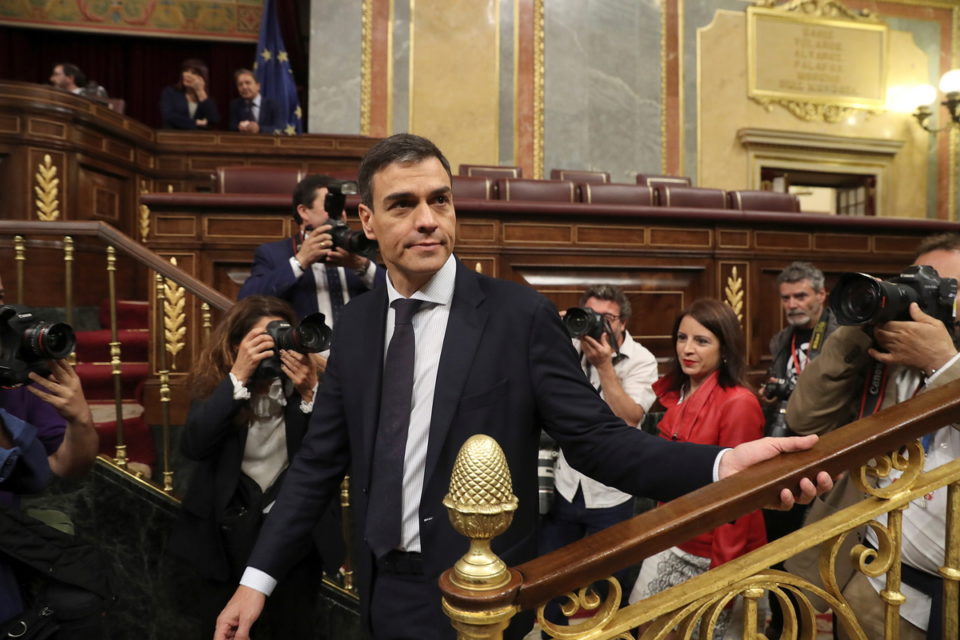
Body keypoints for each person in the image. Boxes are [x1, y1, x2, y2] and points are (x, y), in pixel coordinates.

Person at [214, 133, 831, 640]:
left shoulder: (518, 316)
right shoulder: (355, 326)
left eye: (440, 200)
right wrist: (256, 580)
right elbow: (318, 465)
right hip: (382, 590)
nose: (428, 220)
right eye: (403, 205)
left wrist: (722, 465)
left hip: (485, 594)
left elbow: (597, 442)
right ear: (368, 222)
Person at [785, 233, 960, 640]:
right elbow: (803, 417)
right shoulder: (887, 357)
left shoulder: (935, 359)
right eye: (920, 282)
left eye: (946, 288)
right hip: (868, 577)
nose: (927, 298)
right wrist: (860, 328)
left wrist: (944, 364)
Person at [168, 295, 340, 639]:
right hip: (221, 542)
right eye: (262, 339)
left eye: (280, 336)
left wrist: (310, 392)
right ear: (236, 345)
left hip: (293, 545)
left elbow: (328, 456)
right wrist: (238, 377)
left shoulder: (305, 386)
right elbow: (194, 446)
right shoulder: (217, 383)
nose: (273, 347)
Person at [627, 298, 766, 638]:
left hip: (714, 550)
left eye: (701, 341)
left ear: (725, 348)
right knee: (645, 627)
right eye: (682, 338)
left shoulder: (738, 403)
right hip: (672, 534)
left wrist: (724, 575)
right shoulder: (676, 391)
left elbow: (739, 497)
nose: (687, 349)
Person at [540, 284, 657, 621]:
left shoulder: (642, 360)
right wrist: (551, 325)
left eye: (608, 318)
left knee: (610, 584)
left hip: (611, 491)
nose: (599, 324)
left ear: (623, 323)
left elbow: (629, 418)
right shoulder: (568, 346)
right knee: (551, 580)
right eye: (591, 315)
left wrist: (604, 366)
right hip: (566, 483)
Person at [759, 261, 838, 637]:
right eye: (786, 297)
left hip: (827, 450)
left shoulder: (843, 336)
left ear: (821, 295)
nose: (792, 304)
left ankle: (814, 623)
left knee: (821, 550)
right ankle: (782, 623)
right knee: (780, 541)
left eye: (801, 296)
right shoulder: (781, 340)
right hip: (786, 453)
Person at [237, 174, 385, 329]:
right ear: (303, 211)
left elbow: (396, 293)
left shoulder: (357, 248)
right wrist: (300, 261)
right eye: (329, 206)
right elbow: (246, 302)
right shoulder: (274, 254)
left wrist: (361, 266)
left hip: (356, 342)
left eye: (341, 207)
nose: (340, 214)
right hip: (304, 343)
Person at [160, 58, 220, 130]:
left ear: (202, 78)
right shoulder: (170, 93)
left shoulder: (206, 98)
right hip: (173, 135)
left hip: (198, 136)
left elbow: (213, 120)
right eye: (185, 71)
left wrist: (200, 91)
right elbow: (169, 116)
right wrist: (196, 122)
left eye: (193, 73)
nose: (187, 75)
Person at [228, 69, 282, 134]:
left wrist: (259, 129)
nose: (244, 87)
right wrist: (239, 127)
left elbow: (279, 128)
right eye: (240, 84)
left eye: (248, 83)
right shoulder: (235, 105)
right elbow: (231, 127)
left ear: (258, 86)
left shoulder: (272, 105)